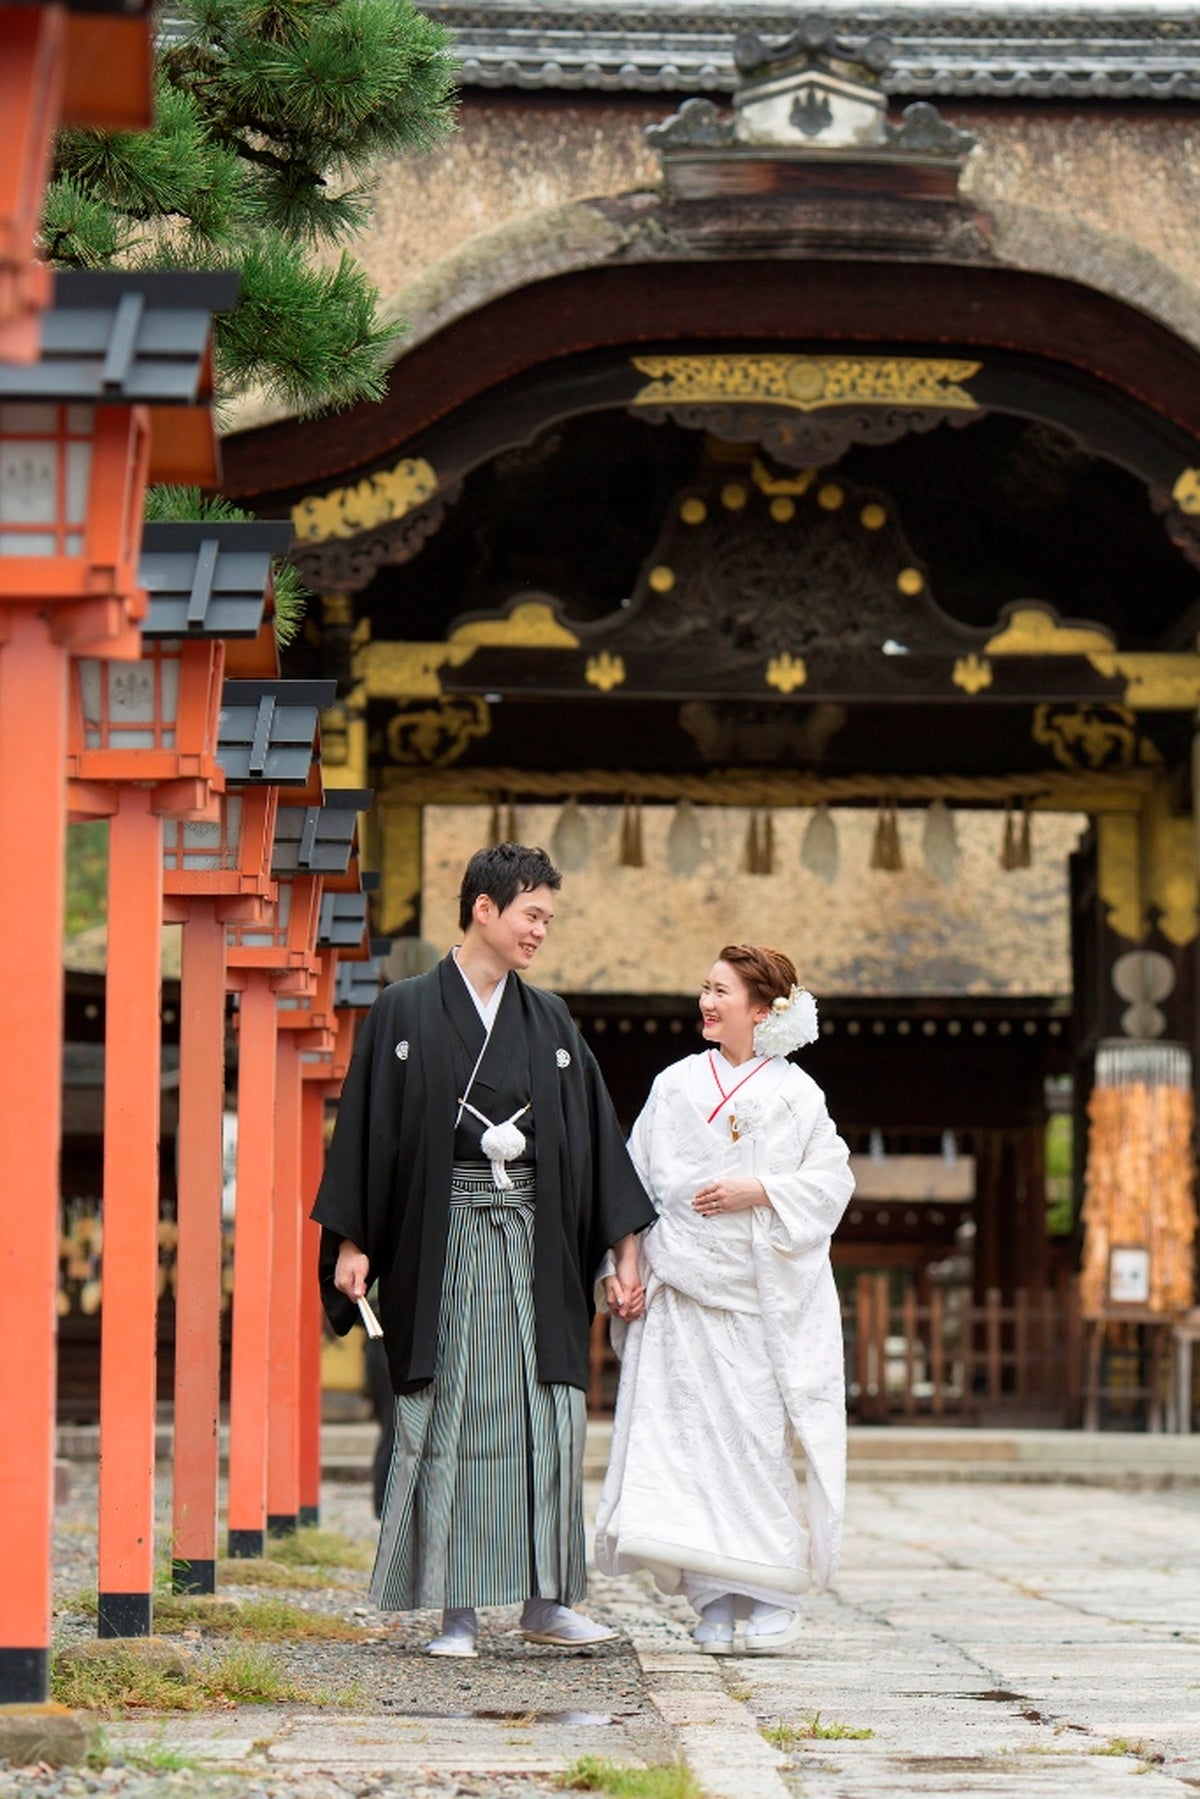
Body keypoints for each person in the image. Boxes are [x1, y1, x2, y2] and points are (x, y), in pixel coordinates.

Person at [312, 843, 655, 1658]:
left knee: (548, 1416)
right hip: (448, 1240)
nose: (540, 930)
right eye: (531, 914)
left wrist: (625, 1250)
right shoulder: (404, 1010)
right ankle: (456, 1608)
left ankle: (548, 1600)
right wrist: (354, 1238)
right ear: (483, 909)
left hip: (535, 1244)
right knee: (453, 1411)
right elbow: (369, 1125)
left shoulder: (553, 1021)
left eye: (545, 917)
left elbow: (599, 1141)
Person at [595, 944, 854, 1654]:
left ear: (762, 1009)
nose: (707, 1003)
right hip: (681, 1291)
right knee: (686, 1449)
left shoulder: (797, 1094)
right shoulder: (675, 1084)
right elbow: (635, 1184)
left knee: (753, 1446)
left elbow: (833, 1182)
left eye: (721, 991)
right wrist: (627, 1265)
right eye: (704, 988)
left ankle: (769, 1592)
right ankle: (711, 1599)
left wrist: (760, 1189)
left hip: (756, 1301)